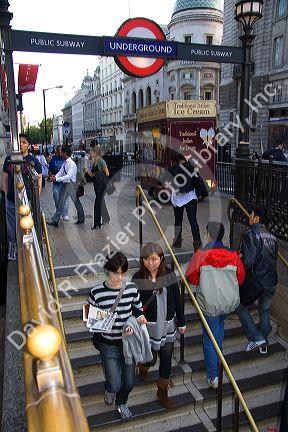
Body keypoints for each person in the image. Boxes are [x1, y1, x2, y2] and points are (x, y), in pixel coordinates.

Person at [186, 222, 245, 389]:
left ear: (209, 235)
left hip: (209, 302)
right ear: (222, 235)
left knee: (208, 338)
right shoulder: (233, 255)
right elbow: (240, 278)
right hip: (227, 301)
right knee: (219, 328)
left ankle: (213, 375)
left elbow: (192, 278)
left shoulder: (201, 254)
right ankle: (218, 359)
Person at [88, 252, 145, 421]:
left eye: (122, 273)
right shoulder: (96, 293)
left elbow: (137, 309)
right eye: (115, 273)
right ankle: (110, 388)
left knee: (128, 383)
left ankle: (122, 402)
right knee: (115, 383)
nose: (119, 278)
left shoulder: (132, 288)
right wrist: (101, 322)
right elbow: (92, 321)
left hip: (128, 343)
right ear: (107, 271)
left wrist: (136, 321)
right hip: (108, 344)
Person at [131, 243, 186, 409]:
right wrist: (138, 315)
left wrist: (181, 321)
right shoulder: (138, 277)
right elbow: (132, 302)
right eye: (146, 259)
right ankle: (144, 365)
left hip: (167, 324)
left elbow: (177, 299)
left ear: (161, 259)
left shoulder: (169, 275)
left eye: (154, 259)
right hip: (148, 326)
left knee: (167, 355)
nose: (150, 262)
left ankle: (162, 390)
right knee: (152, 357)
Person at [236, 206, 278, 353]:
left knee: (239, 304)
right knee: (264, 309)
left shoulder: (250, 234)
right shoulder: (273, 237)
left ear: (257, 219)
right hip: (272, 281)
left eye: (251, 214)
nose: (249, 217)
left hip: (257, 281)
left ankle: (256, 337)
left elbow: (247, 261)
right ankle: (263, 342)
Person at [2, 134, 42, 260]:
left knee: (27, 227)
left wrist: (35, 199)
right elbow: (4, 179)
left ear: (28, 145)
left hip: (27, 201)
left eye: (24, 142)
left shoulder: (33, 161)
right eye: (19, 142)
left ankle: (27, 251)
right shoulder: (9, 159)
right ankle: (13, 250)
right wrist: (7, 194)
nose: (21, 144)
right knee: (11, 227)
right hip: (11, 200)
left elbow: (39, 181)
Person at [168, 151, 202, 251]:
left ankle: (177, 241)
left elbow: (162, 181)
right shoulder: (191, 167)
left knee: (178, 220)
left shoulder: (173, 169)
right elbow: (197, 180)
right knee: (193, 221)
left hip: (178, 197)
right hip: (191, 197)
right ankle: (197, 245)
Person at [47, 145, 85, 228]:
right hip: (65, 185)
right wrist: (55, 177)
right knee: (61, 202)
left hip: (71, 185)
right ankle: (55, 220)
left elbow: (68, 176)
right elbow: (60, 172)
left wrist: (57, 179)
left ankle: (81, 218)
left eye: (62, 152)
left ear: (65, 153)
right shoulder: (65, 163)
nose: (60, 153)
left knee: (76, 202)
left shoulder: (72, 164)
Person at [86, 146, 110, 230]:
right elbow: (92, 175)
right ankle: (106, 218)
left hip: (102, 186)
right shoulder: (95, 162)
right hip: (97, 186)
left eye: (91, 152)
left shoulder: (101, 162)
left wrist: (97, 174)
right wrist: (87, 169)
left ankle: (97, 224)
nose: (90, 153)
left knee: (97, 204)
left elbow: (107, 173)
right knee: (101, 202)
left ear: (95, 153)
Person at [49, 145, 69, 221]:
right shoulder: (53, 159)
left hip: (64, 182)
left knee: (65, 198)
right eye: (59, 150)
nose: (60, 152)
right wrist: (51, 176)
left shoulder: (66, 160)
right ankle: (59, 211)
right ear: (57, 151)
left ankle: (65, 214)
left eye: (61, 150)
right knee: (56, 196)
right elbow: (50, 170)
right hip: (56, 182)